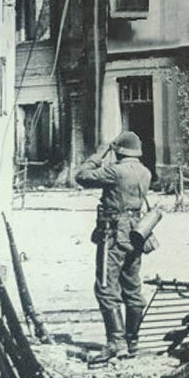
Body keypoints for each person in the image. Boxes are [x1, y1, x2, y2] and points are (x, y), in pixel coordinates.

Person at [75, 132, 151, 364]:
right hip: (136, 234)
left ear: (119, 151)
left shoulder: (115, 171)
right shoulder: (145, 172)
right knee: (132, 287)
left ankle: (116, 343)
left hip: (113, 235)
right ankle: (132, 341)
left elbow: (81, 176)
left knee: (105, 287)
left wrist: (100, 154)